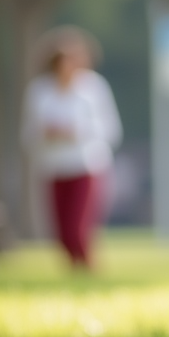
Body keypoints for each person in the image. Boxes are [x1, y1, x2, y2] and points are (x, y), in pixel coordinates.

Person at [21, 27, 122, 269]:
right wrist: (48, 134)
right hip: (54, 168)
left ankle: (88, 268)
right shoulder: (39, 92)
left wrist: (75, 132)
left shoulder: (94, 88)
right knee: (62, 232)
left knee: (78, 227)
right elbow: (28, 134)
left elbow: (110, 130)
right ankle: (75, 269)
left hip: (86, 167)